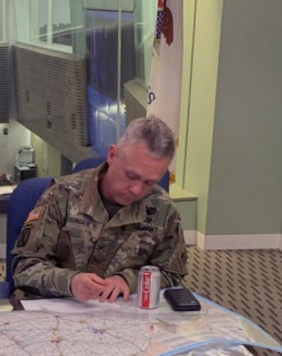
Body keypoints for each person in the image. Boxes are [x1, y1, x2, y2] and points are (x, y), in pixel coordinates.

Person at [12, 116, 187, 303]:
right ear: (112, 155)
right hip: (58, 308)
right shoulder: (62, 195)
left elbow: (171, 274)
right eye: (131, 176)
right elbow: (25, 268)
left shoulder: (163, 210)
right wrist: (70, 282)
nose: (136, 190)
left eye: (149, 182)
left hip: (121, 315)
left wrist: (127, 281)